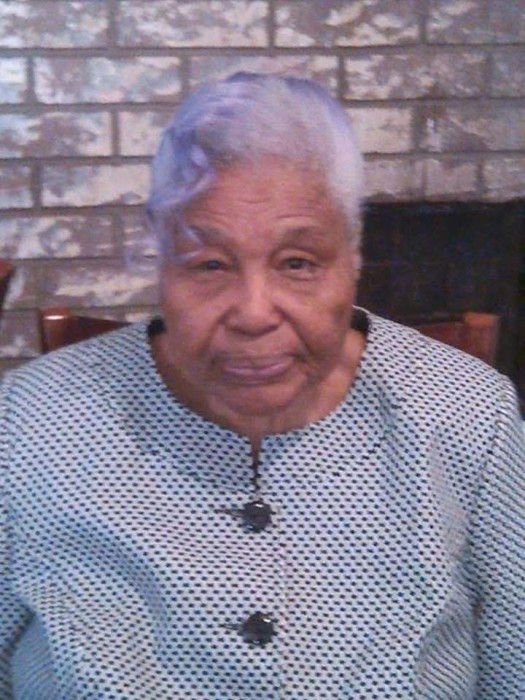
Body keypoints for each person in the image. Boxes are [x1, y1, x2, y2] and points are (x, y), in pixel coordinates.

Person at [0, 73, 523, 699]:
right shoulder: (29, 422)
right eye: (209, 264)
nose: (253, 313)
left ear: (353, 256)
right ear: (161, 255)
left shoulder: (467, 416)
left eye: (298, 263)